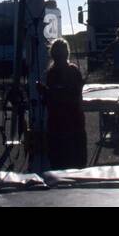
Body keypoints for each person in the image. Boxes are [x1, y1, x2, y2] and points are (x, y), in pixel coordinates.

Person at [38, 38, 87, 169]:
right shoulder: (71, 71)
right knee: (76, 167)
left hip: (61, 126)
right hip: (72, 125)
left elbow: (55, 99)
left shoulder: (51, 74)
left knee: (59, 166)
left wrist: (45, 92)